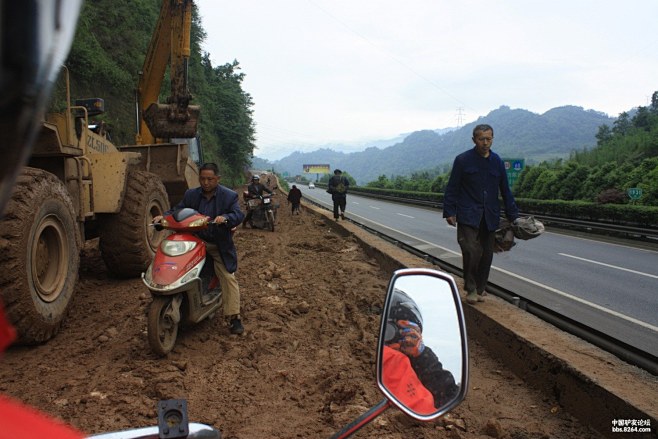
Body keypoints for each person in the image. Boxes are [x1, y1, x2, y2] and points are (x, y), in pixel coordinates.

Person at [154, 163, 246, 335]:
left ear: (218, 179)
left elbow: (238, 214)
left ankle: (234, 317)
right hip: (193, 240)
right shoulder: (191, 195)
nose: (205, 182)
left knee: (227, 276)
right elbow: (177, 210)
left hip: (216, 243)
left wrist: (225, 218)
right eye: (202, 179)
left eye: (210, 179)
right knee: (174, 264)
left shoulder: (229, 196)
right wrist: (164, 217)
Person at [443, 124, 519, 304]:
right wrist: (449, 211)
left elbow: (505, 190)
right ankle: (470, 288)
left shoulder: (497, 162)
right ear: (474, 140)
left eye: (489, 139)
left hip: (490, 215)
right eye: (481, 139)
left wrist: (513, 215)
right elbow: (452, 187)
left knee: (486, 254)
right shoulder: (463, 160)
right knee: (471, 250)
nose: (485, 143)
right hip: (468, 214)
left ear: (493, 139)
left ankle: (480, 288)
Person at [382, 290, 459, 411]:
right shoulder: (392, 359)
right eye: (399, 329)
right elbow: (446, 405)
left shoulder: (413, 363)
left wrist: (421, 356)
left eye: (410, 333)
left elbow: (449, 397)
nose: (404, 338)